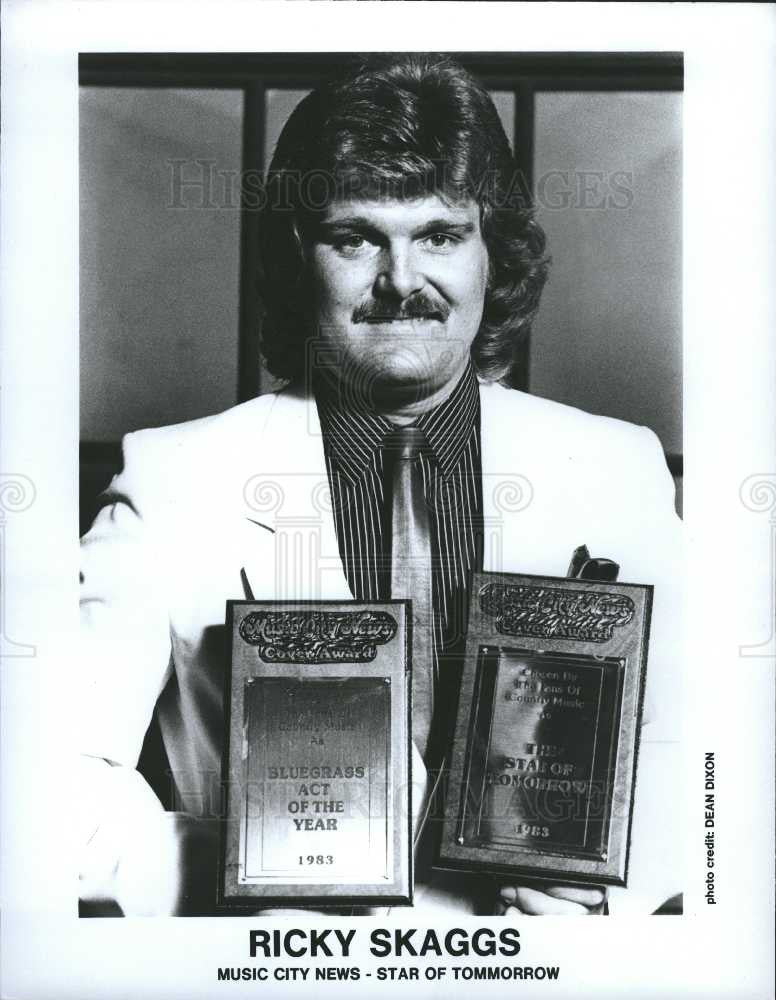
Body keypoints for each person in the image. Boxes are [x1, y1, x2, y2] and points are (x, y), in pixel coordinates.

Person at [78, 54, 681, 917]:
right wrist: (236, 870)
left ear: (491, 254)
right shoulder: (172, 478)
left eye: (440, 234)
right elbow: (35, 776)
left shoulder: (617, 468)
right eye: (356, 236)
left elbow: (712, 755)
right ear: (298, 256)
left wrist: (615, 878)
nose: (402, 281)